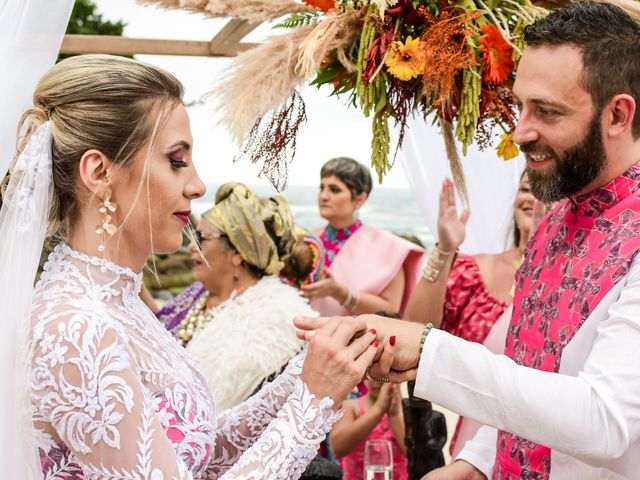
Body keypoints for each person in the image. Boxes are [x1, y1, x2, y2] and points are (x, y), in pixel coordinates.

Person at [295, 2, 640, 478]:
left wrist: (429, 349)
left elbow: (606, 420)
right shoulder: (555, 223)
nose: (520, 132)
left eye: (547, 112)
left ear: (618, 115)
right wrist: (474, 463)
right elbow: (539, 381)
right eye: (521, 106)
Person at [1, 54, 387, 479]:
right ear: (99, 171)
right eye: (176, 160)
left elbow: (190, 452)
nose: (198, 185)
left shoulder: (117, 302)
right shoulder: (74, 328)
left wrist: (304, 376)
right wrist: (312, 405)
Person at [151, 182, 314, 411]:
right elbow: (157, 325)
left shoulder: (274, 322)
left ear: (238, 253)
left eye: (201, 238)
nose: (190, 246)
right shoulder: (200, 293)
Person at [405, 173, 534, 455]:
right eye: (526, 188)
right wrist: (445, 249)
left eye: (544, 189)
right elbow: (416, 331)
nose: (533, 197)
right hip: (474, 443)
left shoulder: (575, 281)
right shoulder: (475, 271)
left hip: (544, 441)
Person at [302, 157, 424, 316]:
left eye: (334, 189)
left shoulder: (387, 247)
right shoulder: (307, 239)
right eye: (321, 187)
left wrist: (339, 292)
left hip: (351, 338)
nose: (323, 196)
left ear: (359, 199)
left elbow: (391, 310)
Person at [330, 379, 408, 480]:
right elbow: (338, 448)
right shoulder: (351, 407)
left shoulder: (407, 411)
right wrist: (378, 409)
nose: (378, 382)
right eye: (374, 376)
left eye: (385, 377)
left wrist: (395, 415)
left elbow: (414, 455)